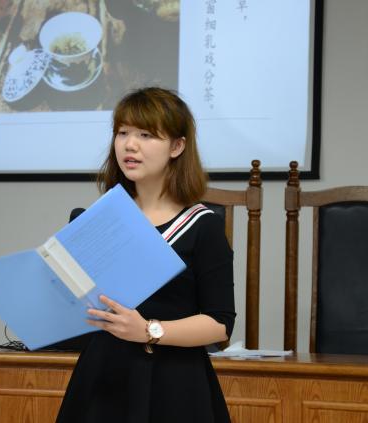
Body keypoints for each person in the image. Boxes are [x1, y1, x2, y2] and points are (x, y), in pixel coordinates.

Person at [56, 87, 235, 423]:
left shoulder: (202, 225)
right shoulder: (100, 219)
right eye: (122, 132)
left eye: (146, 135)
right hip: (102, 377)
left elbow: (220, 323)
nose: (129, 145)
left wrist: (149, 330)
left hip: (173, 382)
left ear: (177, 147)